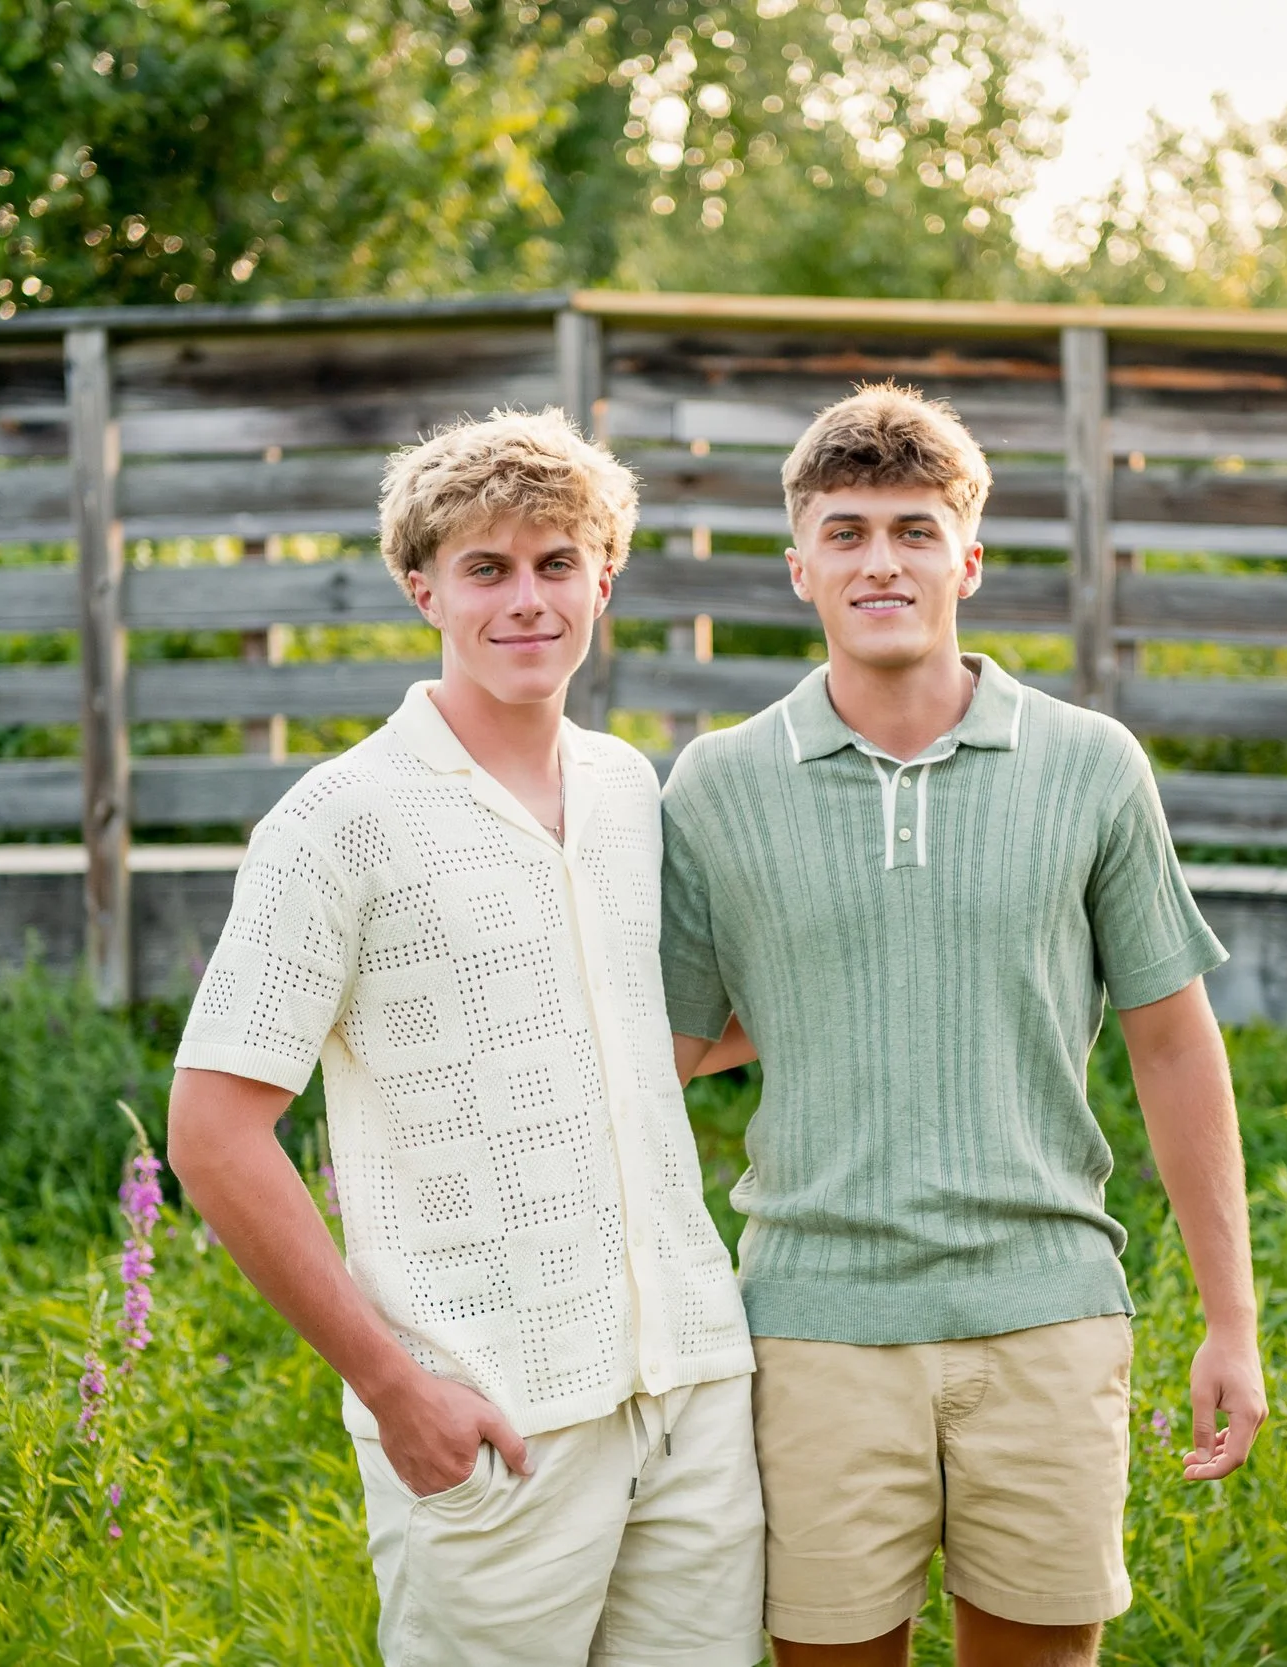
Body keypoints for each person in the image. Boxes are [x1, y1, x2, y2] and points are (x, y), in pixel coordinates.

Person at [661, 385, 1269, 1667]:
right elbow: (665, 1052)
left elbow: (1171, 1042)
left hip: (1045, 1315)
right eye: (845, 532)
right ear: (797, 567)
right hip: (812, 1325)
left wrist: (1233, 1319)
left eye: (912, 529)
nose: (880, 560)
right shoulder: (714, 785)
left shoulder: (1092, 764)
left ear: (968, 559)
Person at [168, 409, 763, 1667]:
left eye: (557, 563)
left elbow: (622, 1052)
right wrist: (396, 1390)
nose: (526, 600)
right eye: (487, 568)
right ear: (420, 584)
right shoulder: (337, 820)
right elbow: (212, 1134)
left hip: (694, 1395)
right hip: (494, 1414)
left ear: (606, 575)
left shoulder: (626, 792)